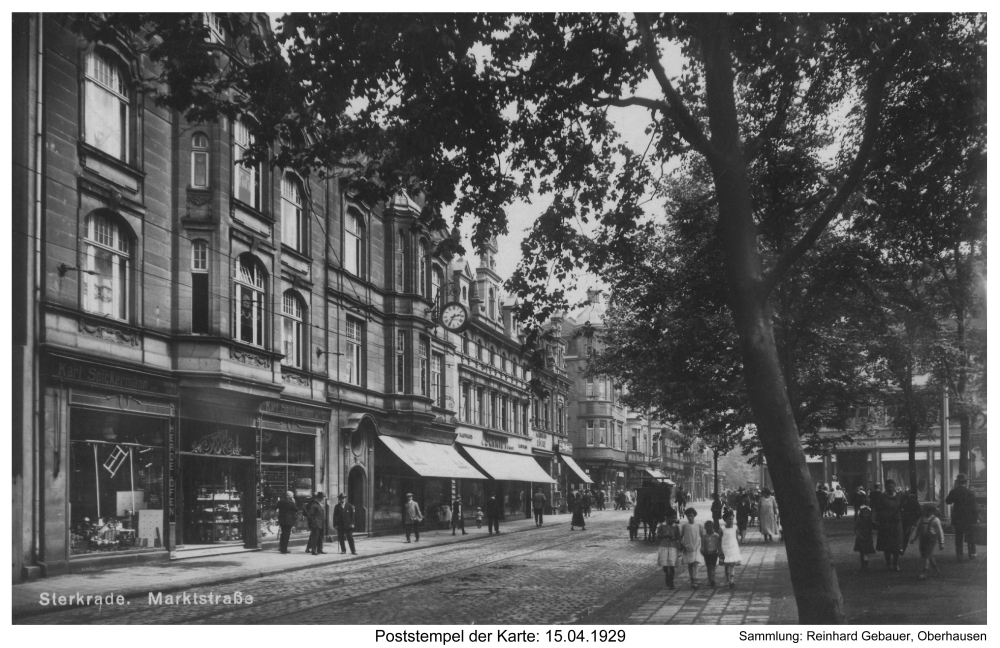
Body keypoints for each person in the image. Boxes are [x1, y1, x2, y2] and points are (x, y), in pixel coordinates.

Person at [945, 473, 979, 561]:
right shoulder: (970, 493)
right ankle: (971, 554)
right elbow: (974, 507)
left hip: (958, 518)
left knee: (958, 537)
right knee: (970, 537)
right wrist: (976, 518)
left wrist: (953, 490)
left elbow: (947, 501)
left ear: (957, 482)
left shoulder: (954, 492)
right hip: (969, 518)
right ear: (965, 482)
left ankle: (959, 555)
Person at [875, 479, 904, 571]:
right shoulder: (882, 497)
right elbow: (877, 510)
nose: (891, 488)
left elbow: (903, 507)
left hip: (896, 523)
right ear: (886, 487)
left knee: (897, 545)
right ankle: (888, 563)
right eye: (889, 486)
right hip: (885, 523)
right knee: (886, 545)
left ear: (895, 487)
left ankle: (895, 564)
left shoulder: (899, 496)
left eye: (892, 486)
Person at [911, 502, 944, 579]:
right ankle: (936, 569)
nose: (923, 511)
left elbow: (940, 531)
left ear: (930, 511)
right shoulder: (921, 519)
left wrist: (941, 542)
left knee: (927, 555)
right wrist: (913, 538)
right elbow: (917, 529)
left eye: (925, 510)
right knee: (927, 555)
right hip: (923, 539)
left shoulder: (935, 520)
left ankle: (925, 571)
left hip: (931, 540)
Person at [656, 512, 681, 589]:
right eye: (672, 518)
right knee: (665, 565)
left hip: (672, 547)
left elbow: (678, 537)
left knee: (672, 565)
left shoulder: (676, 527)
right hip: (663, 547)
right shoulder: (662, 526)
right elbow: (657, 536)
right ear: (667, 518)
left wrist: (673, 538)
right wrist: (664, 536)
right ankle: (667, 576)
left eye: (674, 518)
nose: (674, 520)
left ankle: (671, 581)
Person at [680, 507, 703, 588]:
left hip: (697, 546)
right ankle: (692, 579)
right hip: (688, 546)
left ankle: (696, 579)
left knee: (696, 563)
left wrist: (703, 546)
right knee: (690, 563)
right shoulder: (685, 526)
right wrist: (681, 545)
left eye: (691, 516)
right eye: (688, 516)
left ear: (694, 516)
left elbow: (702, 535)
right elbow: (681, 536)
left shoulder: (699, 525)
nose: (690, 518)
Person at [719, 509, 743, 589]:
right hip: (725, 548)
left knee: (732, 564)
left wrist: (737, 547)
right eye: (729, 519)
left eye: (732, 519)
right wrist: (720, 551)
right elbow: (719, 539)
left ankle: (732, 581)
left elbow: (736, 538)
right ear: (725, 520)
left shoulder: (735, 527)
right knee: (727, 565)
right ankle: (727, 579)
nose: (731, 521)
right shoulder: (722, 529)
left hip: (733, 547)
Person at [853, 505, 877, 571]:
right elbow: (855, 529)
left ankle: (865, 565)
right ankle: (863, 565)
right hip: (861, 538)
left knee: (866, 552)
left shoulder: (870, 521)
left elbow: (875, 527)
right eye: (864, 513)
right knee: (862, 552)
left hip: (868, 538)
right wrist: (859, 535)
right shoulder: (859, 521)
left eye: (867, 513)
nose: (866, 515)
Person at [276, 490, 299, 554]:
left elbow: (276, 508)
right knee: (286, 535)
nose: (293, 496)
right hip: (288, 521)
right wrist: (294, 502)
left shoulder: (280, 501)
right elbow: (296, 509)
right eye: (292, 495)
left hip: (282, 520)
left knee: (283, 534)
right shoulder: (291, 502)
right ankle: (284, 549)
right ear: (290, 496)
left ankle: (281, 547)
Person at [701, 515, 721, 587]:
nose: (709, 528)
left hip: (714, 553)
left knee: (712, 566)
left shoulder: (716, 535)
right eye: (708, 527)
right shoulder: (704, 536)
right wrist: (702, 551)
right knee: (708, 566)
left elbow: (718, 544)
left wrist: (719, 551)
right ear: (705, 528)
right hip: (706, 553)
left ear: (713, 527)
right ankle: (709, 579)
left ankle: (712, 580)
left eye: (711, 527)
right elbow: (702, 544)